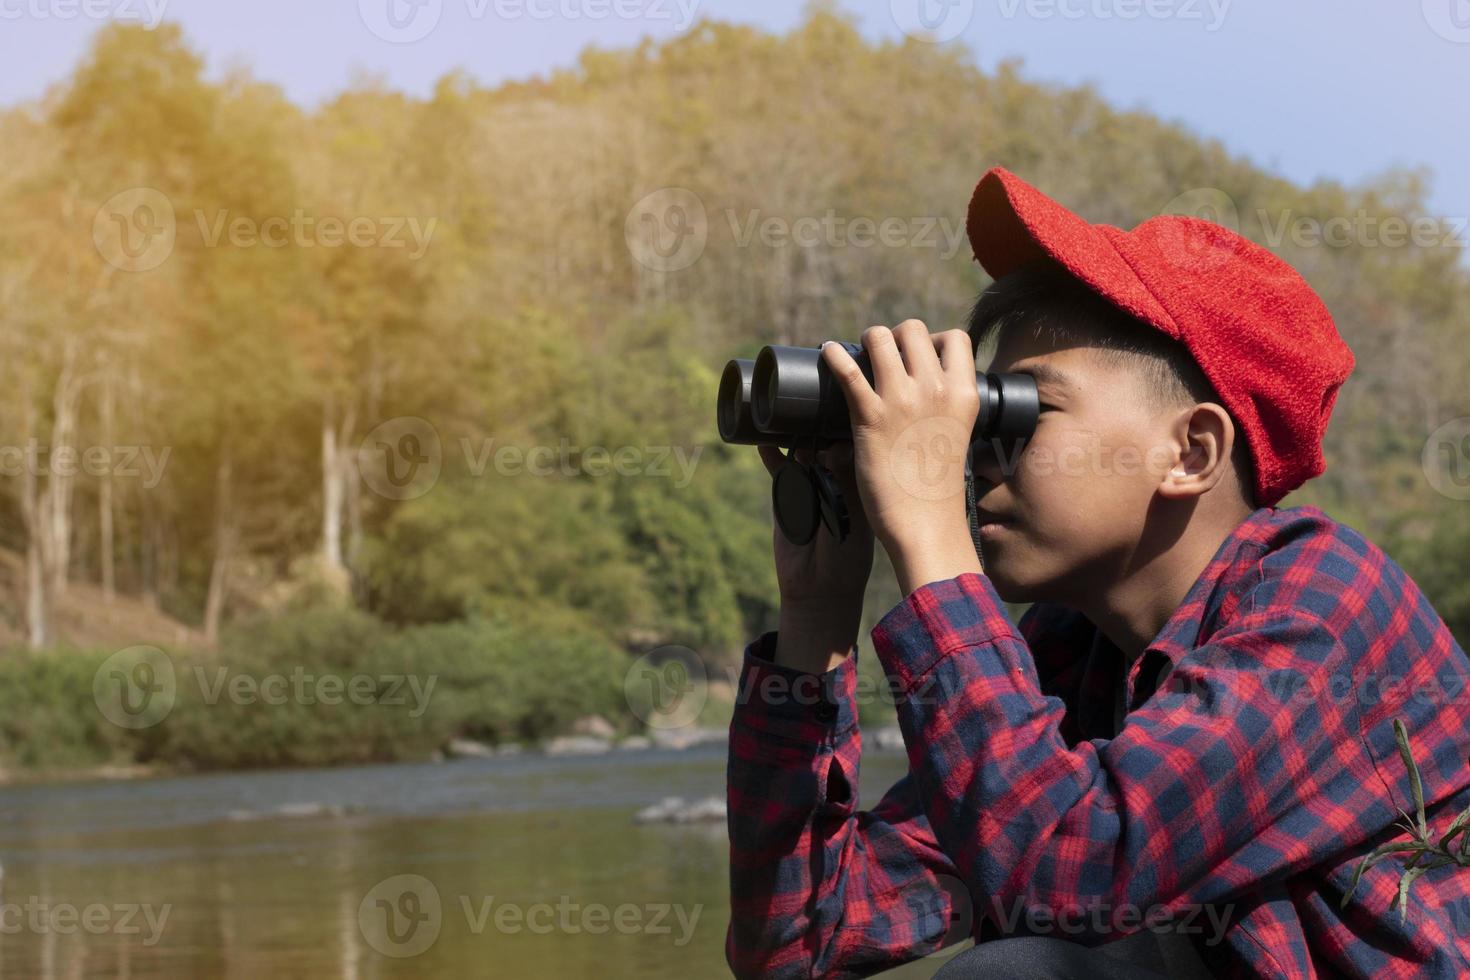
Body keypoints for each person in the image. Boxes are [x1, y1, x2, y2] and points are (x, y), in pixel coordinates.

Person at [723, 167, 1470, 979]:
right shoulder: (1076, 655)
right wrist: (817, 614)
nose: (977, 458)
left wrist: (930, 537)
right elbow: (802, 942)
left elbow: (1067, 871)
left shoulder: (1325, 602)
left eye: (1020, 412)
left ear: (1191, 452)